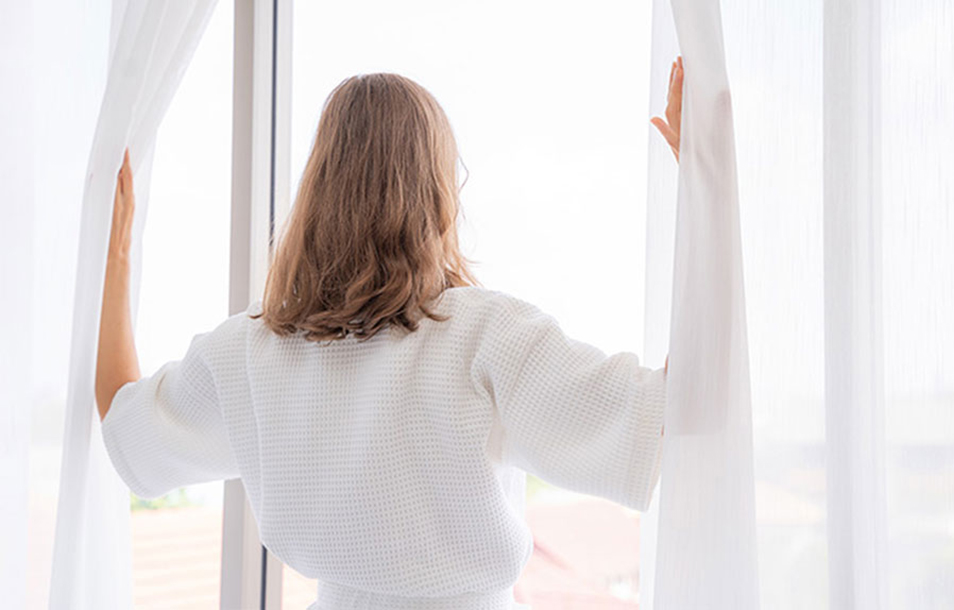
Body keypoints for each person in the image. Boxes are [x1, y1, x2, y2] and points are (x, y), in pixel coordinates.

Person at [95, 58, 685, 609]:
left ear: (318, 185)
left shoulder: (248, 352)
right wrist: (700, 195)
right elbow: (666, 417)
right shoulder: (484, 335)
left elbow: (124, 422)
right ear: (439, 192)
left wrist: (113, 258)